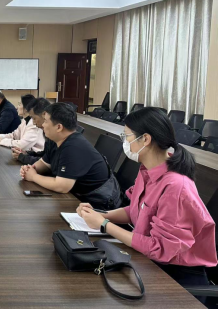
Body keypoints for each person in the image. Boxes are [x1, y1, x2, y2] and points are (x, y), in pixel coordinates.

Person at [77, 107, 217, 298]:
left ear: (145, 139)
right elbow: (136, 210)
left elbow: (158, 248)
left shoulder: (176, 186)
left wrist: (104, 224)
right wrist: (101, 215)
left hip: (177, 277)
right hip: (150, 261)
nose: (125, 142)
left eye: (127, 136)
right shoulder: (148, 170)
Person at [20, 102, 121, 209]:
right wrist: (30, 169)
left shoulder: (73, 147)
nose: (43, 125)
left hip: (97, 205)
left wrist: (33, 176)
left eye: (45, 121)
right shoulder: (56, 140)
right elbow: (45, 163)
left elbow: (62, 186)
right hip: (77, 197)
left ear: (59, 127)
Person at [12, 97, 51, 164]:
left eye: (34, 118)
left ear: (44, 115)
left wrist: (23, 157)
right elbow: (46, 155)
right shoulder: (46, 132)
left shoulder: (53, 134)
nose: (33, 123)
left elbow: (48, 162)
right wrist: (26, 153)